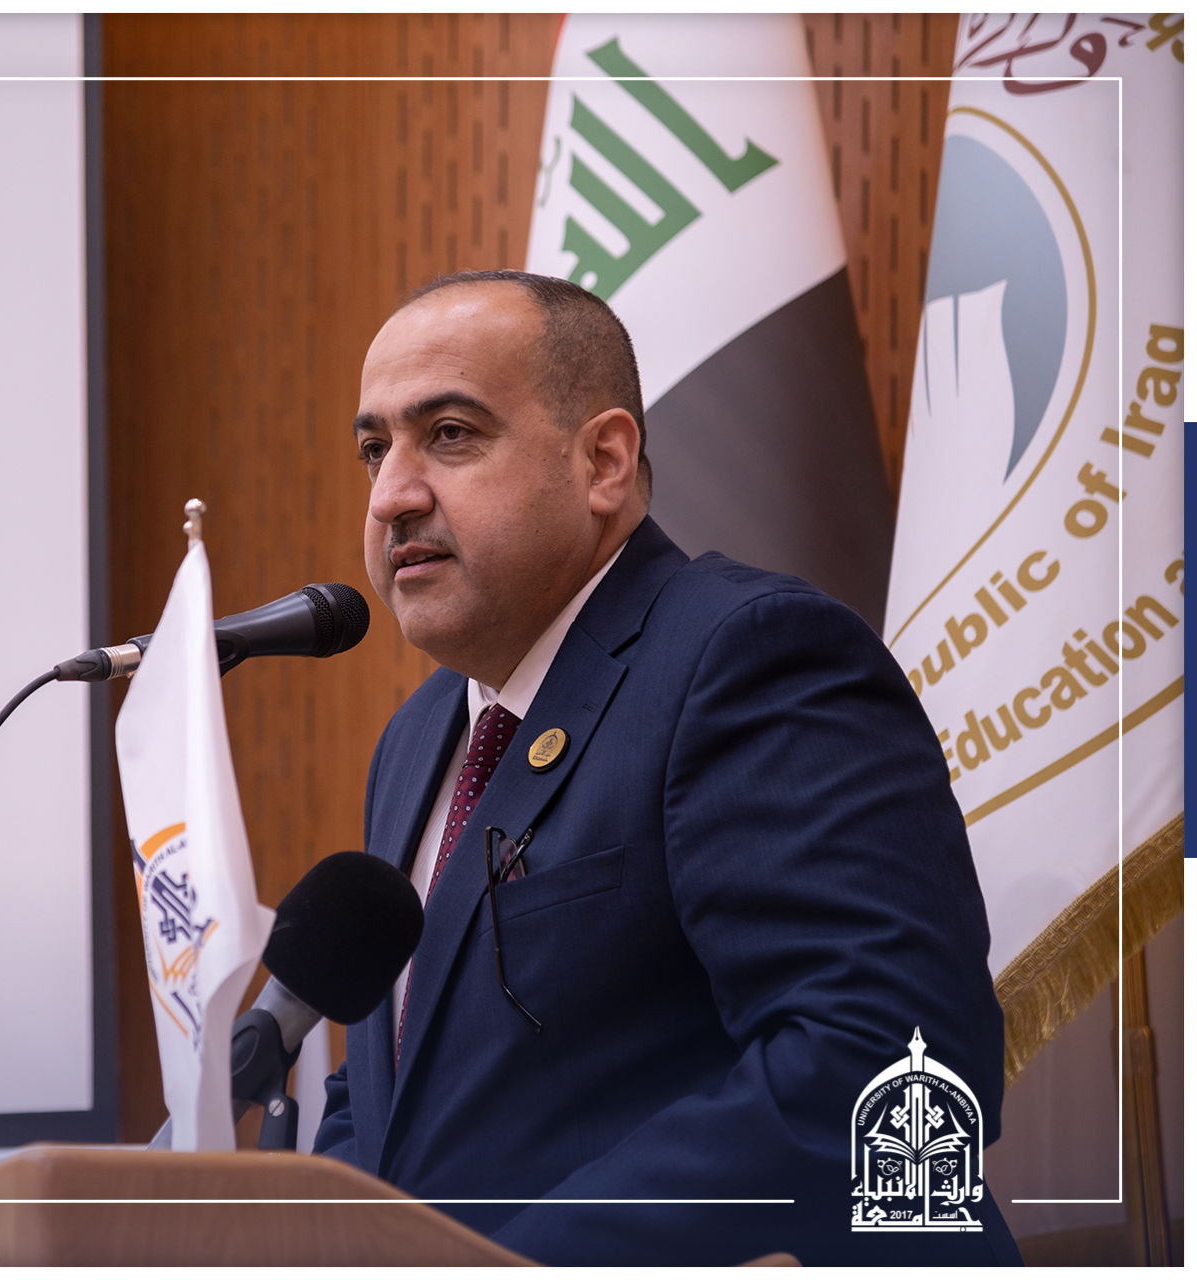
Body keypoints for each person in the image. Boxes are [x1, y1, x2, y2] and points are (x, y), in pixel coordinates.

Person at [312, 270, 1020, 1266]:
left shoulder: (749, 656)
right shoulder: (418, 737)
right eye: (374, 449)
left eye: (452, 434)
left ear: (603, 460)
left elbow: (885, 1060)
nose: (392, 495)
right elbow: (385, 1095)